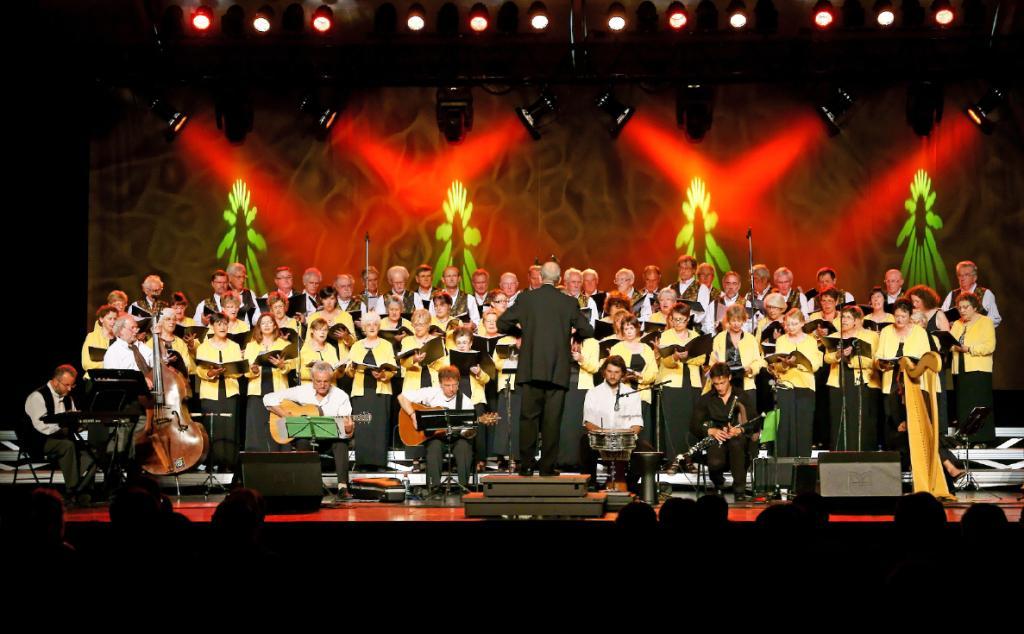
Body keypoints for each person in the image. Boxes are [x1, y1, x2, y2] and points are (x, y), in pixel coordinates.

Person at [497, 260, 594, 476]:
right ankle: (548, 467)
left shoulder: (526, 298)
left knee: (528, 419)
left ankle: (526, 465)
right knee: (552, 421)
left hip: (530, 369)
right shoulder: (568, 303)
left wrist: (521, 334)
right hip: (557, 370)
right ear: (560, 279)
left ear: (540, 277)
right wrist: (575, 334)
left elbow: (502, 323)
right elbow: (587, 329)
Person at [264, 361, 355, 496]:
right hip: (307, 439)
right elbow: (268, 398)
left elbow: (347, 432)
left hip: (329, 441)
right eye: (318, 381)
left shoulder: (341, 396)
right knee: (302, 441)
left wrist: (348, 429)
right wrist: (286, 416)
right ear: (312, 380)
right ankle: (311, 486)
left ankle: (342, 487)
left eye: (326, 381)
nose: (322, 385)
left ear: (331, 380)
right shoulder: (302, 391)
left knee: (341, 443)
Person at [22, 365, 96, 504]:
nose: (69, 389)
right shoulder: (37, 397)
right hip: (39, 442)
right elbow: (42, 427)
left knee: (93, 452)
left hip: (63, 440)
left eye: (72, 386)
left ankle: (80, 489)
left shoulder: (68, 398)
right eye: (66, 385)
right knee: (67, 445)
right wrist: (64, 430)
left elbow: (73, 420)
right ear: (55, 382)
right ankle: (72, 490)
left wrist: (81, 424)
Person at [579, 355, 654, 490]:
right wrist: (605, 434)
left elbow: (637, 424)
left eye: (616, 372)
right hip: (601, 439)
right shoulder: (593, 393)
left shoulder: (632, 393)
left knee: (645, 449)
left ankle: (629, 484)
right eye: (609, 371)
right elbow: (588, 422)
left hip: (625, 440)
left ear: (623, 374)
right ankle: (591, 485)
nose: (612, 376)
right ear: (604, 372)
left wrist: (624, 435)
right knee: (585, 441)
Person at [398, 365, 476, 492]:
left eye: (455, 385)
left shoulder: (465, 402)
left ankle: (464, 487)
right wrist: (413, 415)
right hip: (435, 437)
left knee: (464, 447)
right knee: (434, 447)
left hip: (456, 438)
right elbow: (402, 397)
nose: (452, 389)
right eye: (447, 385)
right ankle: (434, 488)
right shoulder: (432, 392)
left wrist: (468, 431)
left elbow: (467, 429)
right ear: (440, 384)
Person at [691, 362, 758, 500]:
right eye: (716, 384)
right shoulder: (707, 399)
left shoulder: (741, 395)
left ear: (730, 378)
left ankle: (739, 490)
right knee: (715, 463)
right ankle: (718, 483)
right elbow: (693, 424)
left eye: (723, 383)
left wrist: (740, 429)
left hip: (737, 439)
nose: (720, 387)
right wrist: (710, 430)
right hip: (717, 438)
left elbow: (755, 421)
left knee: (737, 444)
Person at [824, 305, 881, 451]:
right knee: (839, 416)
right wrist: (838, 355)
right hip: (838, 380)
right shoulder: (835, 336)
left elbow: (873, 361)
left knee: (858, 418)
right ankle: (840, 452)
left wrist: (851, 359)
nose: (844, 320)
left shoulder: (871, 336)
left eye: (848, 317)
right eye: (842, 317)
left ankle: (860, 451)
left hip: (860, 381)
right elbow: (827, 357)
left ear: (857, 320)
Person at [345, 312, 396, 470]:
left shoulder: (386, 345)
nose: (372, 327)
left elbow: (393, 369)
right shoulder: (356, 346)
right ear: (364, 329)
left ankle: (380, 463)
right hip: (361, 391)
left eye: (375, 324)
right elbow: (348, 371)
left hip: (381, 390)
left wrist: (383, 374)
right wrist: (352, 368)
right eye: (368, 325)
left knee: (380, 427)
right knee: (363, 426)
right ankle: (363, 463)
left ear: (379, 327)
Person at [194, 312, 245, 473]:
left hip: (229, 390)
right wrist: (211, 373)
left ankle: (229, 462)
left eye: (225, 324)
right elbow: (200, 370)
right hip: (210, 391)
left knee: (229, 426)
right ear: (212, 326)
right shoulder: (204, 346)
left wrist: (228, 370)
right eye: (219, 324)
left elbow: (239, 371)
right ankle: (212, 461)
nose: (222, 327)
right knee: (212, 427)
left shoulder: (234, 346)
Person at [659, 302, 706, 472]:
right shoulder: (665, 336)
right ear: (670, 319)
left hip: (692, 382)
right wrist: (675, 358)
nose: (678, 323)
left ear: (688, 320)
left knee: (690, 422)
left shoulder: (695, 335)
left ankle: (688, 459)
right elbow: (665, 360)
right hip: (672, 383)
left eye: (682, 320)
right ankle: (673, 460)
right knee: (674, 422)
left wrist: (688, 357)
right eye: (675, 320)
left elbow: (701, 359)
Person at [769, 309, 822, 457]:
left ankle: (803, 461)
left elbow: (816, 364)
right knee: (785, 424)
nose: (791, 327)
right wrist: (786, 364)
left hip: (806, 386)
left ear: (802, 323)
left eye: (795, 324)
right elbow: (777, 365)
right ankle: (784, 462)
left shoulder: (811, 341)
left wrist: (798, 363)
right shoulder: (781, 340)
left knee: (803, 424)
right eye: (788, 324)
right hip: (786, 385)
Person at [949, 292, 996, 444]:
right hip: (961, 368)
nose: (962, 310)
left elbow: (989, 346)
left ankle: (982, 439)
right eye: (960, 307)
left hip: (978, 370)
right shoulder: (957, 324)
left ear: (975, 307)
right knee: (964, 405)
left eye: (965, 307)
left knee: (979, 404)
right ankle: (966, 438)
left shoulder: (985, 322)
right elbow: (950, 344)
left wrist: (968, 349)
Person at [243, 314, 294, 452]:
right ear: (258, 327)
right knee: (258, 425)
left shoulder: (284, 345)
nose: (266, 325)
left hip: (278, 390)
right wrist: (253, 370)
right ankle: (257, 458)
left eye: (270, 322)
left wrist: (282, 365)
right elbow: (245, 371)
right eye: (263, 323)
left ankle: (282, 457)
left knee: (279, 425)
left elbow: (290, 367)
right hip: (257, 390)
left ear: (275, 325)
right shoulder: (251, 346)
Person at [609, 314, 658, 441]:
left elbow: (653, 373)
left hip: (643, 395)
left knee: (643, 432)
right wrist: (622, 377)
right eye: (626, 329)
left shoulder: (646, 348)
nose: (629, 331)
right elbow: (611, 371)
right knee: (625, 431)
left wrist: (640, 377)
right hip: (624, 395)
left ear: (637, 329)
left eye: (631, 328)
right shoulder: (617, 348)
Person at [557, 327, 600, 471]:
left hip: (581, 388)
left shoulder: (591, 342)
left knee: (578, 425)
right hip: (561, 386)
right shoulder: (558, 338)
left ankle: (580, 462)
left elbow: (594, 367)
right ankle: (562, 461)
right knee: (563, 425)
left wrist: (581, 359)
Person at [709, 303, 764, 404]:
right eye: (733, 320)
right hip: (724, 384)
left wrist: (751, 369)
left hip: (746, 383)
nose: (736, 324)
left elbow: (758, 360)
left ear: (744, 320)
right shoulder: (719, 338)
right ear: (728, 320)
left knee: (746, 416)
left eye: (739, 320)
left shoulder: (750, 339)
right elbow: (712, 361)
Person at [941, 260, 1000, 327]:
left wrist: (978, 325)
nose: (962, 278)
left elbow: (995, 319)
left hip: (978, 335)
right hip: (956, 335)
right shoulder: (952, 295)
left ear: (975, 277)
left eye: (966, 275)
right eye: (960, 275)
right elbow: (941, 318)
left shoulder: (985, 294)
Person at [81, 304, 119, 379]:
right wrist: (108, 365)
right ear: (101, 319)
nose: (113, 322)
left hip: (114, 379)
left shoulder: (119, 340)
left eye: (115, 319)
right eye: (110, 319)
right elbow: (86, 363)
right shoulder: (92, 336)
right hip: (95, 378)